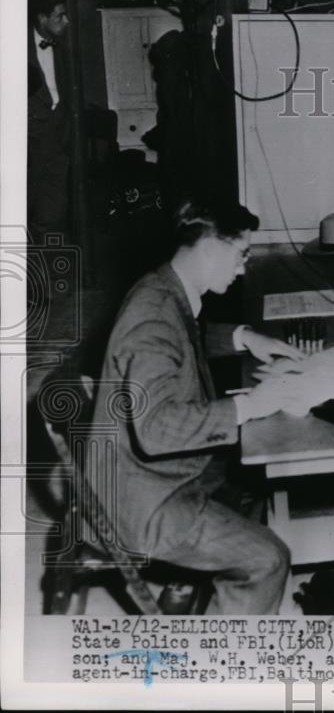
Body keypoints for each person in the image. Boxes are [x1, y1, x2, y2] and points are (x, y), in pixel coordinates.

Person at [88, 198, 305, 614]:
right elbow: (155, 430)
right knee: (267, 559)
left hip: (140, 477)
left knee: (252, 482)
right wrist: (248, 406)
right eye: (241, 255)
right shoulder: (152, 318)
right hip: (142, 503)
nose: (244, 267)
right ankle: (230, 671)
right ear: (209, 249)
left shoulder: (164, 287)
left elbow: (184, 339)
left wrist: (245, 338)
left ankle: (189, 581)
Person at [28, 0, 72, 242]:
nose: (66, 21)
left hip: (57, 142)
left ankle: (47, 275)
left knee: (53, 212)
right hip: (28, 146)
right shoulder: (13, 47)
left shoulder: (64, 47)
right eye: (60, 16)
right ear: (42, 19)